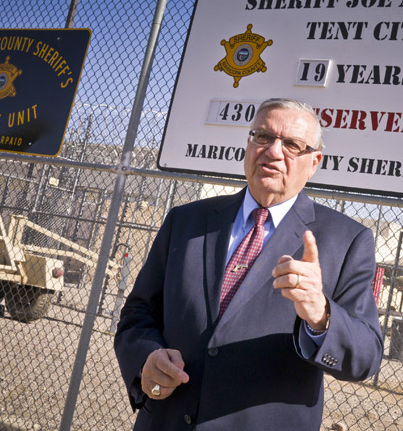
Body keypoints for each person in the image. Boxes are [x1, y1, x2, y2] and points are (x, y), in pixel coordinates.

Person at [114, 98, 384, 430]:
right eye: (263, 137)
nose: (273, 151)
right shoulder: (185, 222)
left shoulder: (347, 241)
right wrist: (145, 359)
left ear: (314, 162)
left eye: (292, 145)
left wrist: (320, 314)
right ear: (248, 144)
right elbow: (138, 313)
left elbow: (365, 357)